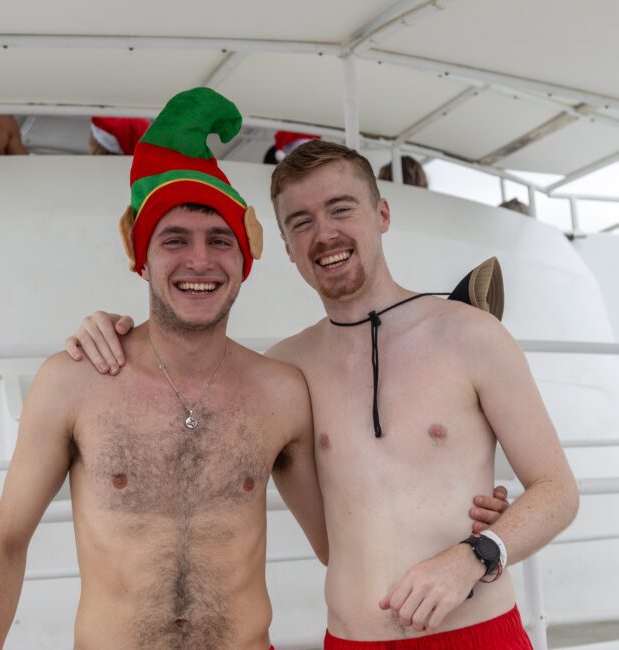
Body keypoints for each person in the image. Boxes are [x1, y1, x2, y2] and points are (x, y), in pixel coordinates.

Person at [0, 89, 504, 650]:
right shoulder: (74, 380)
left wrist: (469, 517)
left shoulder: (279, 391)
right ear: (140, 257)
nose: (199, 260)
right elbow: (5, 541)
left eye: (219, 240)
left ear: (245, 259)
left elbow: (343, 539)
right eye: (174, 240)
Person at [63, 140, 552, 648]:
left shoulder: (470, 333)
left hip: (474, 631)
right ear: (287, 245)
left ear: (381, 214)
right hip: (347, 638)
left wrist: (480, 551)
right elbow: (331, 542)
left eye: (341, 208)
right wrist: (104, 331)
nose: (324, 234)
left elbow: (556, 489)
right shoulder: (283, 372)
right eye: (301, 222)